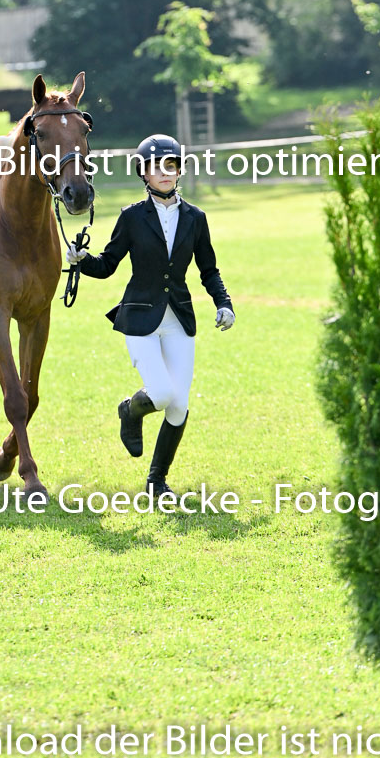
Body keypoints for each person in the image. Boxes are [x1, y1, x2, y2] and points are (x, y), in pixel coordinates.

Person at [67, 133, 235, 497]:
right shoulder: (131, 217)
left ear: (179, 170)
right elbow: (107, 265)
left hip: (179, 319)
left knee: (179, 405)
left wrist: (224, 303)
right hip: (140, 319)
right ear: (143, 173)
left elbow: (209, 269)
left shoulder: (196, 218)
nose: (164, 172)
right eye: (156, 167)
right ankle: (130, 410)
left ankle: (157, 481)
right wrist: (81, 260)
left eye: (171, 165)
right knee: (159, 393)